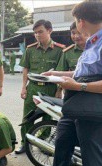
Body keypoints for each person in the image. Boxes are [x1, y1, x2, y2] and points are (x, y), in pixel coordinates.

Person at [43, 2, 102, 166]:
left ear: (81, 21)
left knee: (92, 157)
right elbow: (81, 75)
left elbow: (81, 82)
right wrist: (55, 75)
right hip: (74, 107)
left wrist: (78, 86)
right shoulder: (92, 43)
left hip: (92, 111)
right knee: (61, 145)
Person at [16, 19, 65, 154]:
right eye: (35, 33)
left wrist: (59, 90)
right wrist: (23, 87)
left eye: (40, 32)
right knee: (27, 118)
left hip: (50, 88)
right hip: (32, 87)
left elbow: (61, 72)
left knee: (48, 117)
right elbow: (26, 69)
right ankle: (25, 144)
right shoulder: (30, 49)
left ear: (49, 31)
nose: (37, 35)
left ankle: (43, 144)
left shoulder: (60, 50)